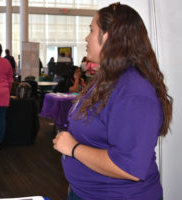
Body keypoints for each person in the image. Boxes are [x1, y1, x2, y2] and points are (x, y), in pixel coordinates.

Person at [53, 3, 172, 200]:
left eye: (91, 31)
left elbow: (130, 167)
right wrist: (76, 184)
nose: (86, 38)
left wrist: (73, 149)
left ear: (108, 36)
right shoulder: (107, 79)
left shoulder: (134, 92)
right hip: (87, 192)